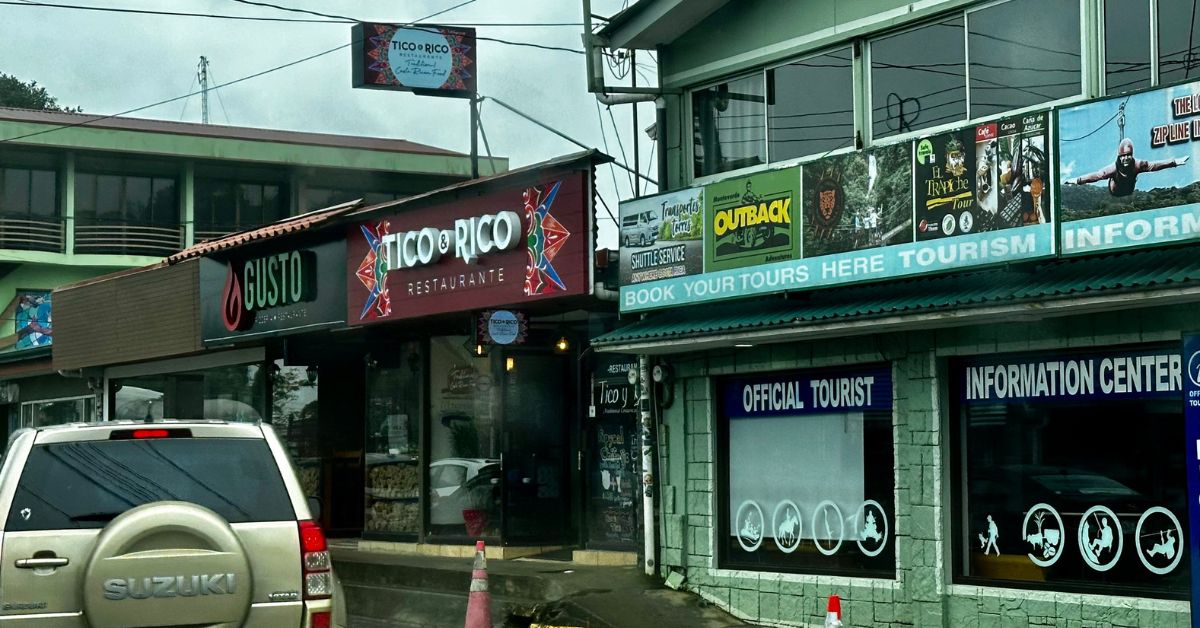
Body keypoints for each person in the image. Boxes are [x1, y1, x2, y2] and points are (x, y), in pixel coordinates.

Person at [1065, 138, 1190, 197]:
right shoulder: (1112, 168)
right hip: (1115, 189)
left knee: (1140, 172)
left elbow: (1155, 165)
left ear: (1132, 155)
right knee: (1105, 176)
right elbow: (1095, 176)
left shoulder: (1138, 165)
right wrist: (1077, 180)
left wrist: (1174, 162)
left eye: (1128, 155)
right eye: (1123, 156)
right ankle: (1114, 180)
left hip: (1128, 188)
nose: (1125, 158)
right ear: (1119, 157)